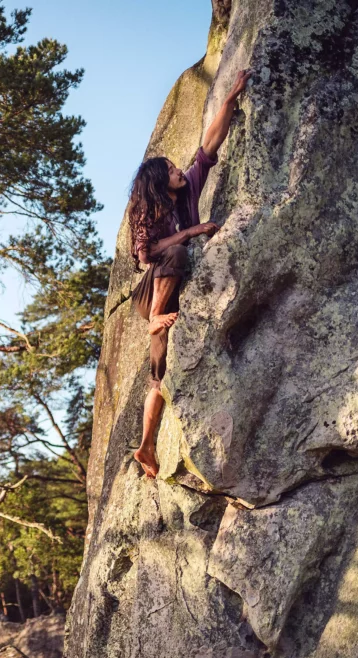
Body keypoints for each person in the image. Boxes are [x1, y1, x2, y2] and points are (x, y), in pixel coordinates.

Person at [129, 70, 249, 479]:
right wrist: (191, 230)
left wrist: (231, 98)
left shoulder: (191, 188)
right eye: (171, 168)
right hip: (152, 296)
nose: (179, 169)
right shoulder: (146, 212)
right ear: (159, 180)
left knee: (158, 378)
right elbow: (145, 256)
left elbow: (210, 143)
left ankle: (146, 447)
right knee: (178, 251)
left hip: (173, 300)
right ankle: (156, 324)